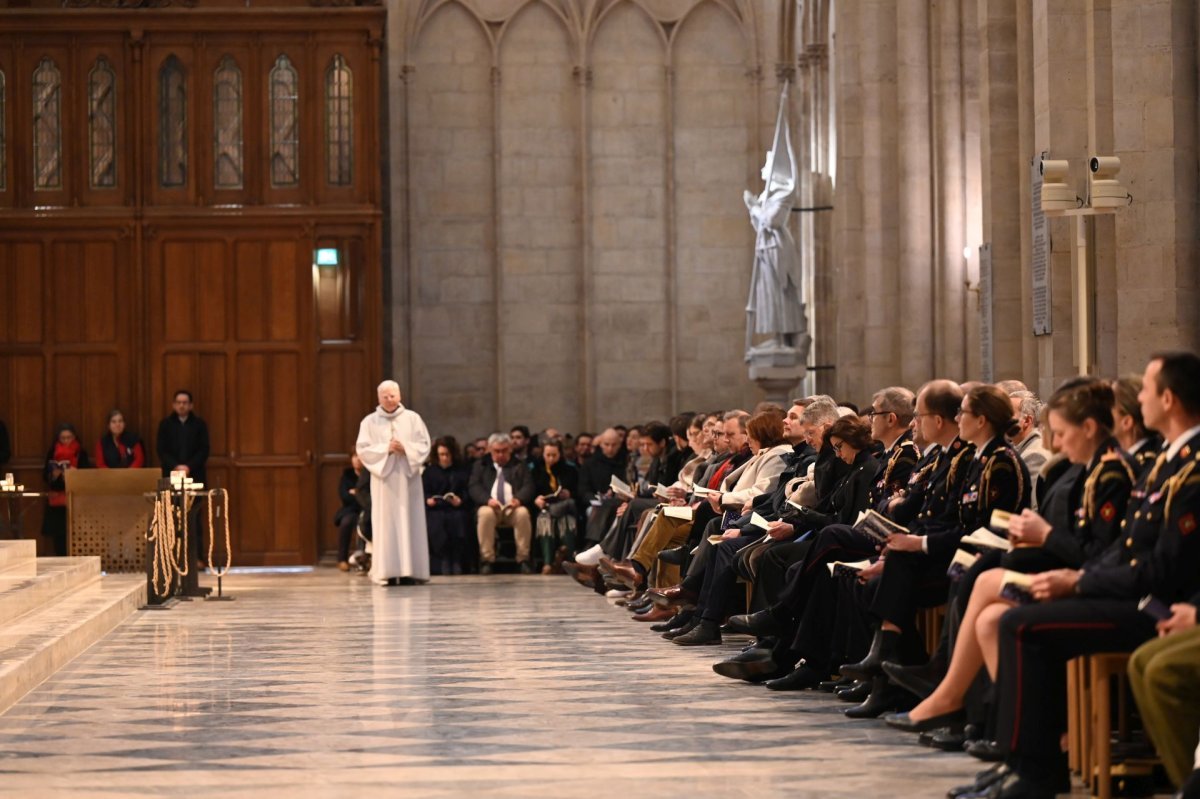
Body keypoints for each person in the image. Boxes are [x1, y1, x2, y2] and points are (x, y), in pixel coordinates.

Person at [355, 380, 432, 586]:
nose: (389, 400)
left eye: (392, 395)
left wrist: (405, 448)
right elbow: (362, 449)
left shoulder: (413, 419)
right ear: (378, 398)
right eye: (385, 396)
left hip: (408, 480)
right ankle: (387, 572)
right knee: (386, 524)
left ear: (400, 396)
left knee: (410, 521)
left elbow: (424, 445)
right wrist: (386, 449)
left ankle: (411, 571)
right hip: (384, 481)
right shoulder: (369, 422)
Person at [469, 432, 535, 574]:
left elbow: (528, 486)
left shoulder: (519, 465)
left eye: (504, 451)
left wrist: (518, 499)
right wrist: (487, 500)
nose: (500, 454)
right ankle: (487, 559)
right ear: (490, 450)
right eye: (497, 451)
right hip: (491, 506)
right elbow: (474, 487)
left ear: (510, 449)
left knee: (523, 513)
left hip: (512, 507)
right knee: (484, 514)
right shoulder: (481, 465)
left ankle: (523, 559)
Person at [422, 437, 470, 576]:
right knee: (436, 522)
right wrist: (428, 499)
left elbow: (467, 491)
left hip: (455, 508)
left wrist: (460, 500)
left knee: (459, 519)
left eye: (447, 454)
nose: (444, 458)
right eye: (441, 455)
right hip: (436, 508)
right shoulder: (430, 472)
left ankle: (456, 560)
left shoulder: (461, 471)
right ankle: (442, 560)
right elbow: (423, 491)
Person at [532, 438, 579, 573]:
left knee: (567, 521)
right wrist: (537, 500)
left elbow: (578, 492)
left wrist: (569, 493)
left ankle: (569, 561)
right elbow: (531, 492)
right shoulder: (536, 471)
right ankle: (547, 562)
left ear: (560, 454)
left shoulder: (570, 470)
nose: (551, 458)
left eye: (554, 455)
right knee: (544, 520)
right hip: (545, 508)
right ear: (543, 454)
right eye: (548, 455)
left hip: (565, 508)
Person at [43, 423, 90, 555]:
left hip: (75, 497)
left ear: (74, 437)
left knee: (77, 533)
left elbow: (88, 475)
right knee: (59, 535)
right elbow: (45, 475)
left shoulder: (81, 452)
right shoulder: (53, 451)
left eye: (68, 437)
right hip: (57, 497)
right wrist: (53, 475)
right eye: (63, 438)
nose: (66, 441)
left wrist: (76, 472)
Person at [334, 452, 364, 572]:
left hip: (366, 509)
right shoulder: (347, 475)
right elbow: (344, 496)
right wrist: (358, 495)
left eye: (360, 457)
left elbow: (369, 495)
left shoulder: (369, 474)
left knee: (366, 524)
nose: (357, 460)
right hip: (350, 509)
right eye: (355, 456)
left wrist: (355, 493)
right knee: (346, 523)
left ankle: (364, 560)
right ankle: (342, 560)